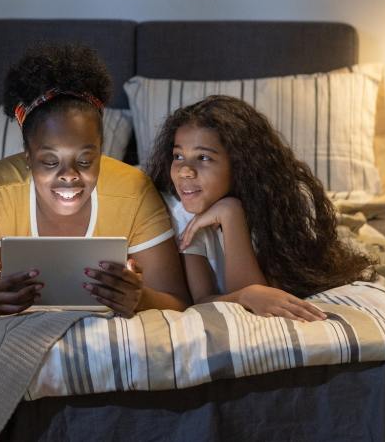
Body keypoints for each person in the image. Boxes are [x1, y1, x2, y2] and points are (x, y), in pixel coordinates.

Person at [0, 43, 191, 317]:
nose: (69, 175)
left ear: (101, 150)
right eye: (50, 161)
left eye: (85, 161)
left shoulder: (133, 190)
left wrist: (141, 298)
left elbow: (178, 301)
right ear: (27, 156)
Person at [146, 95, 372, 321]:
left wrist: (230, 213)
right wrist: (246, 295)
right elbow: (202, 300)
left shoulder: (279, 203)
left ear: (241, 162)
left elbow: (272, 288)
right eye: (178, 156)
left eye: (203, 157)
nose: (185, 171)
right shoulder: (180, 215)